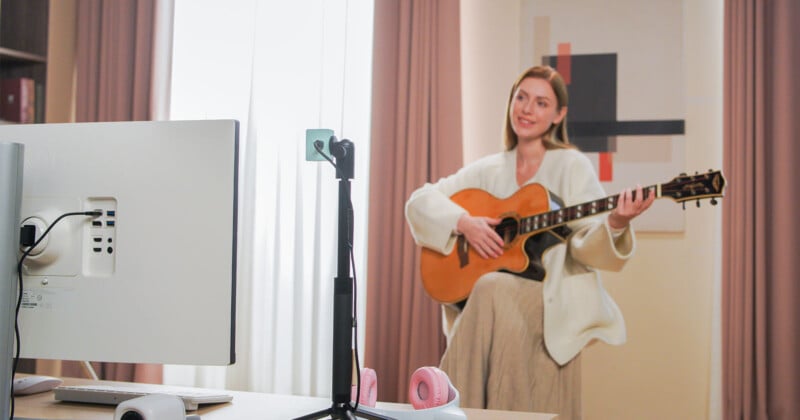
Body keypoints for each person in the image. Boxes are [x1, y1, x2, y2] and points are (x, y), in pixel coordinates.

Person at [404, 65, 655, 419]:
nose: (527, 109)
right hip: (491, 296)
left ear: (558, 115)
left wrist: (615, 222)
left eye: (540, 103)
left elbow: (585, 245)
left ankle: (446, 406)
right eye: (521, 98)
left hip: (552, 296)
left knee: (491, 286)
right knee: (491, 285)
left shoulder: (571, 165)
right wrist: (464, 223)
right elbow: (419, 200)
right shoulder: (487, 169)